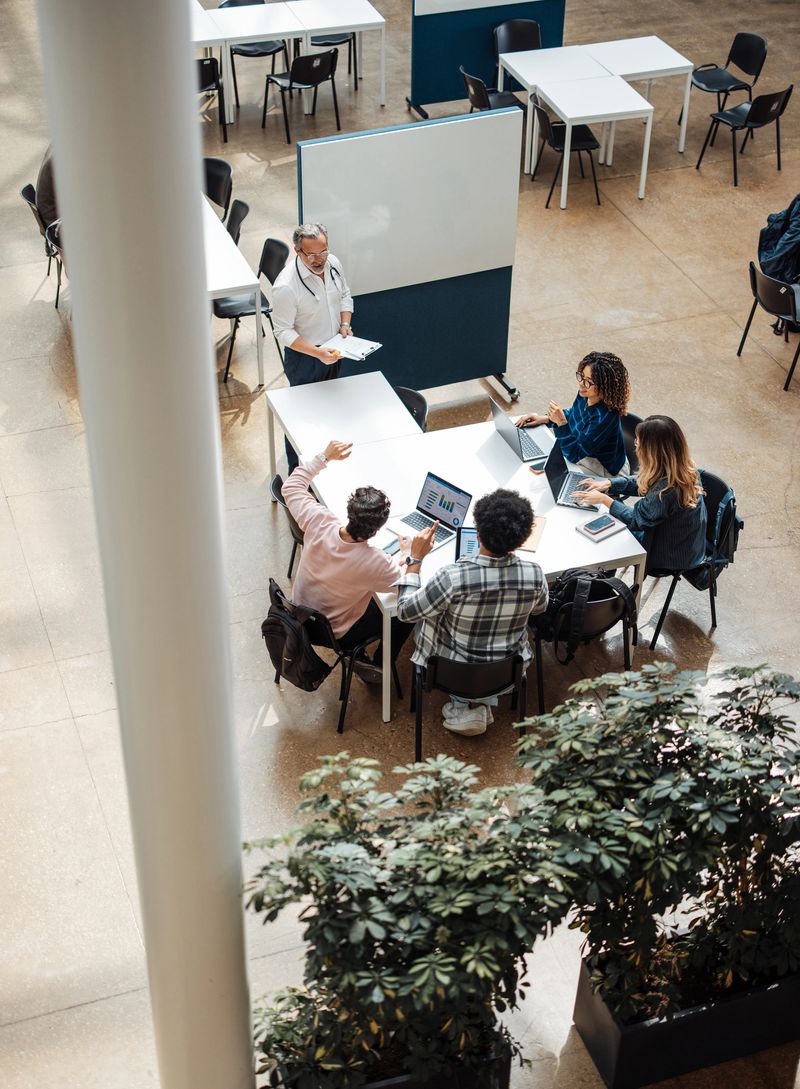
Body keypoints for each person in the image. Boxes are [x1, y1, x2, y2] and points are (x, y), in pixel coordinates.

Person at [397, 489, 548, 737]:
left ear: (477, 535)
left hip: (452, 671)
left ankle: (463, 706)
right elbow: (540, 608)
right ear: (521, 540)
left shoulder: (452, 577)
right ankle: (482, 702)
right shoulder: (535, 574)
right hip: (507, 670)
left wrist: (414, 559)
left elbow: (404, 611)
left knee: (428, 616)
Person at [281, 439, 412, 680]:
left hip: (300, 615)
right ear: (377, 529)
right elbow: (407, 587)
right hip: (335, 632)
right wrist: (409, 555)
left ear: (349, 512)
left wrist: (324, 457)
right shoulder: (376, 562)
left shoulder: (319, 521)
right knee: (406, 613)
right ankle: (379, 665)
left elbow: (291, 487)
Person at [573, 415, 707, 572]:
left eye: (638, 441)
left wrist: (605, 500)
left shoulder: (666, 491)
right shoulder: (682, 468)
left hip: (668, 555)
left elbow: (636, 520)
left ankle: (603, 585)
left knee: (608, 537)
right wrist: (609, 484)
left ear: (652, 452)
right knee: (609, 516)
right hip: (685, 542)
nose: (635, 444)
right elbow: (644, 482)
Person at [272, 224, 355, 472]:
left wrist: (345, 323)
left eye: (324, 251)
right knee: (300, 416)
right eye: (312, 255)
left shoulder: (334, 264)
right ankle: (296, 472)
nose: (320, 260)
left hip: (334, 348)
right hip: (306, 357)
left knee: (330, 407)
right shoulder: (286, 286)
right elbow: (282, 331)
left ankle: (326, 463)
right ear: (298, 251)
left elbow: (345, 295)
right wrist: (317, 353)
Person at [516, 350, 631, 477]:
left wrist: (561, 422)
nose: (581, 384)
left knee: (548, 479)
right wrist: (546, 419)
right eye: (581, 376)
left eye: (589, 381)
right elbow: (575, 415)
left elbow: (573, 454)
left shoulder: (604, 417)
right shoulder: (586, 394)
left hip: (605, 469)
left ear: (605, 386)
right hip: (584, 452)